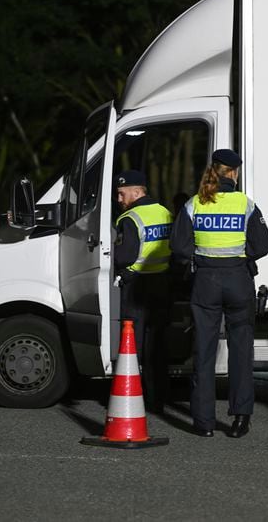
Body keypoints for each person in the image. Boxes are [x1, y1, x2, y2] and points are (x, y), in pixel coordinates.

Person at [170, 149, 268, 438]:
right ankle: (240, 419)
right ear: (235, 173)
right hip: (238, 280)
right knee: (241, 350)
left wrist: (198, 257)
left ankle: (203, 423)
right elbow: (263, 245)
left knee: (203, 351)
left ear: (213, 171)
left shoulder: (195, 203)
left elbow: (178, 246)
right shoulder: (245, 204)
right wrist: (242, 255)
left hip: (205, 281)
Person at [114, 170, 172, 413]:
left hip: (137, 287)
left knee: (132, 346)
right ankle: (158, 398)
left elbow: (125, 255)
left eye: (122, 193)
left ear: (137, 192)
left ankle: (133, 396)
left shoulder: (129, 218)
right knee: (157, 345)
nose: (119, 199)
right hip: (163, 283)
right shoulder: (165, 212)